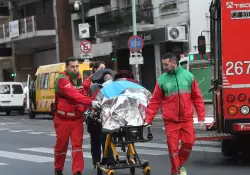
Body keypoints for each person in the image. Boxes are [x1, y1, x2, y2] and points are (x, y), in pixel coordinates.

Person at [144, 52, 205, 175]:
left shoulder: (188, 76)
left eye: (166, 64)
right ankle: (175, 171)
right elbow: (155, 101)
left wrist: (201, 116)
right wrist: (148, 119)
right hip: (170, 121)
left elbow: (197, 97)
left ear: (174, 62)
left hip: (186, 119)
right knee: (173, 148)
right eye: (163, 65)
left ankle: (179, 163)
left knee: (189, 142)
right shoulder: (161, 80)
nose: (164, 67)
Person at [53, 57, 100, 175]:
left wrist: (91, 106)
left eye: (77, 66)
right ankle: (58, 168)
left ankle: (77, 171)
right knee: (61, 146)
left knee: (77, 146)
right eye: (72, 67)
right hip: (63, 119)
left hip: (77, 118)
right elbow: (74, 95)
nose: (75, 69)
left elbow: (83, 92)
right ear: (67, 67)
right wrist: (91, 102)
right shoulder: (62, 79)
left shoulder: (78, 78)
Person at [82, 61, 106, 169]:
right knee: (95, 139)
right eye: (101, 68)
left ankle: (107, 160)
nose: (103, 70)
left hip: (105, 113)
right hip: (93, 113)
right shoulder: (90, 81)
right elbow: (85, 88)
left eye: (104, 68)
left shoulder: (107, 81)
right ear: (95, 69)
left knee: (106, 137)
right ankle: (96, 161)